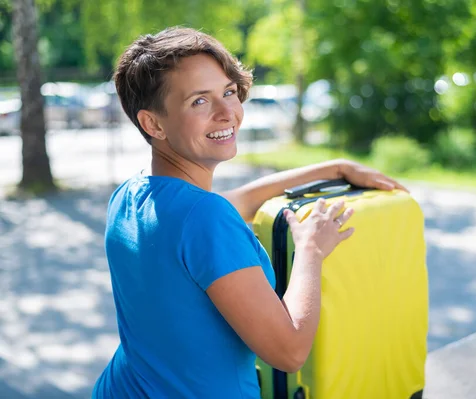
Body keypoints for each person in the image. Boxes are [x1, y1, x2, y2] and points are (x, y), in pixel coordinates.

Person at [92, 26, 408, 398]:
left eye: (228, 92)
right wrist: (311, 250)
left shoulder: (130, 196)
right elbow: (288, 352)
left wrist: (332, 168)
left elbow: (227, 207)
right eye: (199, 101)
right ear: (153, 123)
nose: (228, 112)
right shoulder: (203, 219)